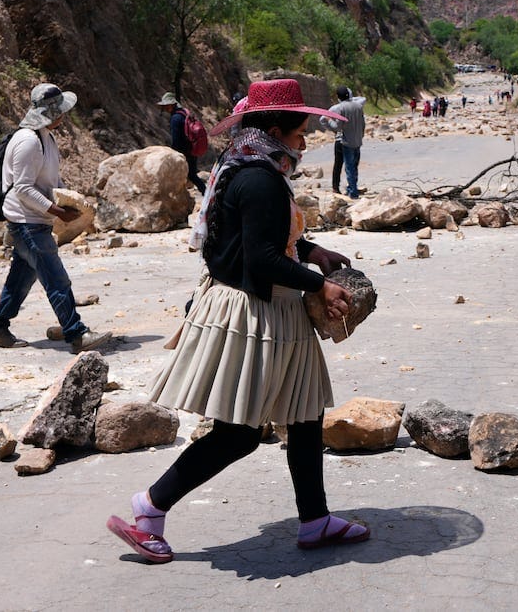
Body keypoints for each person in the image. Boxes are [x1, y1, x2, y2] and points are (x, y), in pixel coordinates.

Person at [106, 78, 369, 564]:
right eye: (300, 128)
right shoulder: (261, 178)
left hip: (263, 307)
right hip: (258, 314)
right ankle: (149, 509)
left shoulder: (243, 164)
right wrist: (321, 284)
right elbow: (262, 259)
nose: (305, 137)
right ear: (275, 126)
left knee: (306, 414)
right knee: (241, 431)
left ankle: (314, 519)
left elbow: (252, 240)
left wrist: (314, 251)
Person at [0, 83, 111, 353]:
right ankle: (76, 333)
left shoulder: (44, 137)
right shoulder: (29, 141)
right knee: (56, 279)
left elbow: (49, 180)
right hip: (27, 223)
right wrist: (57, 212)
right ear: (53, 113)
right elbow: (23, 188)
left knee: (20, 280)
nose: (64, 116)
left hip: (32, 220)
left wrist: (69, 201)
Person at [320, 86, 366, 199]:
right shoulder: (359, 106)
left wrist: (329, 122)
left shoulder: (338, 108)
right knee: (354, 166)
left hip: (344, 141)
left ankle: (350, 191)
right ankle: (352, 187)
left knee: (344, 166)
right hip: (357, 140)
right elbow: (363, 123)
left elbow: (336, 126)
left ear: (338, 96)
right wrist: (361, 135)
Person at [158, 92, 208, 194]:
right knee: (192, 175)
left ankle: (206, 194)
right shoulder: (184, 112)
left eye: (166, 106)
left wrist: (173, 153)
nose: (165, 108)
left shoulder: (175, 118)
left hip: (185, 152)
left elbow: (176, 139)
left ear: (172, 104)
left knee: (188, 176)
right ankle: (206, 194)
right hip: (192, 148)